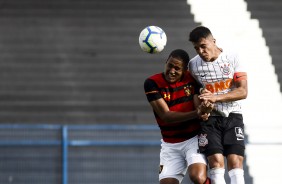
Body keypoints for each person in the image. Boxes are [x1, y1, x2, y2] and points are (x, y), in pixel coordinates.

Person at [188, 26, 248, 184]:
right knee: (216, 162)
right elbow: (195, 93)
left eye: (203, 46)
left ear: (213, 42)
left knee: (235, 161)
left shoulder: (232, 58)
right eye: (196, 48)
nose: (201, 51)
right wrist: (201, 109)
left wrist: (216, 97)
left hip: (233, 115)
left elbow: (243, 91)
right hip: (210, 120)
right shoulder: (193, 66)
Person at [144, 49, 212, 184]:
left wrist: (204, 109)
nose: (172, 71)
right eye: (170, 65)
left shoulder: (192, 79)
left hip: (194, 139)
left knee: (198, 177)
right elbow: (166, 116)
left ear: (185, 70)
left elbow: (200, 102)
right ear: (166, 62)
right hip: (170, 144)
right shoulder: (152, 83)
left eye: (177, 68)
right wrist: (197, 113)